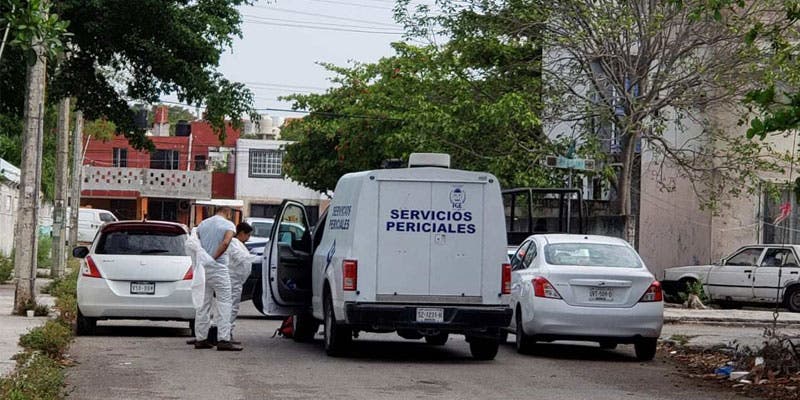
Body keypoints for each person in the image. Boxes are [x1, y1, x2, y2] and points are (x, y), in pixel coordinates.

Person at [194, 206, 241, 351]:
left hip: (203, 269)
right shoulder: (228, 225)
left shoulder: (203, 224)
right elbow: (225, 243)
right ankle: (223, 339)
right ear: (228, 212)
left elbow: (196, 243)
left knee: (203, 303)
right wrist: (213, 258)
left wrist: (205, 259)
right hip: (219, 267)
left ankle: (201, 338)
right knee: (224, 303)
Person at [225, 222, 260, 340]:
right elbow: (241, 257)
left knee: (232, 307)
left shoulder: (238, 244)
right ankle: (226, 334)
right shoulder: (234, 244)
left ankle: (226, 332)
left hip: (237, 280)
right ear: (241, 233)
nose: (248, 238)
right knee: (231, 307)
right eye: (248, 235)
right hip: (233, 279)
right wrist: (260, 259)